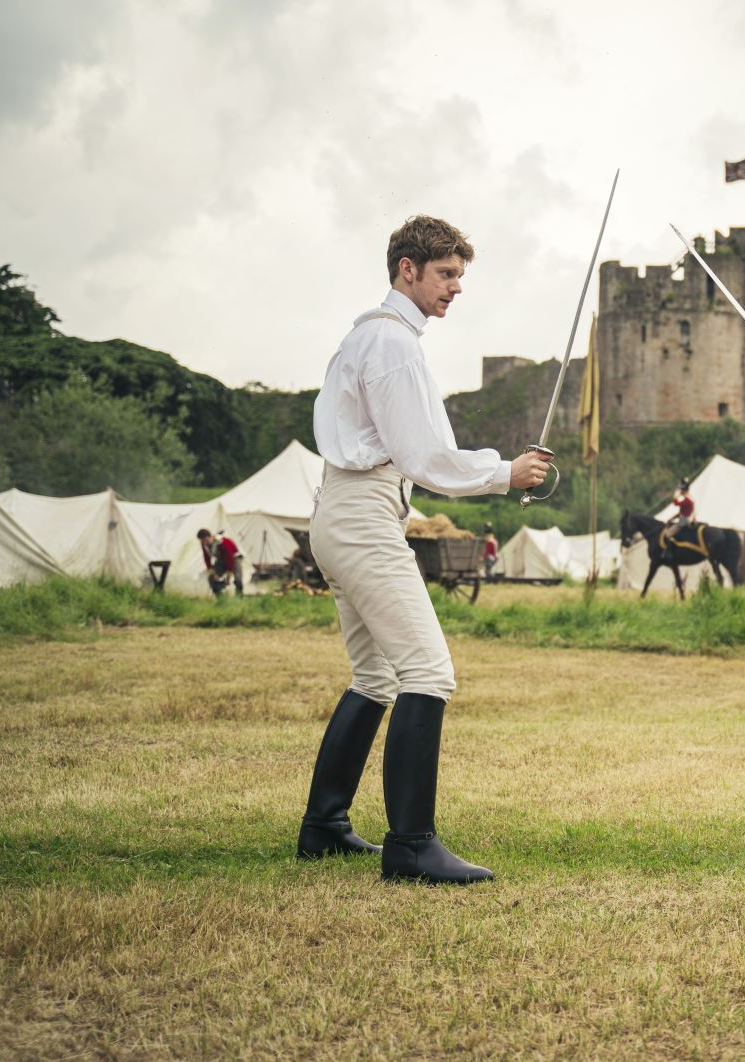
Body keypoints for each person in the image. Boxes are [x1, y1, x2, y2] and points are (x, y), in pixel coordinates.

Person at [298, 215, 549, 885]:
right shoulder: (392, 344)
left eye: (460, 275)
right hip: (361, 516)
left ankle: (323, 829)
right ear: (407, 269)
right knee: (428, 673)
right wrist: (506, 472)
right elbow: (424, 456)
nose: (456, 287)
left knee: (377, 676)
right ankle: (411, 847)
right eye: (445, 273)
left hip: (346, 511)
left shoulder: (376, 337)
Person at [196, 528, 244, 597]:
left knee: (238, 578)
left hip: (234, 558)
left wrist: (228, 575)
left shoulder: (221, 541)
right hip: (221, 560)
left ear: (209, 537)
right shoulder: (204, 544)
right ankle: (220, 597)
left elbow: (229, 557)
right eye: (202, 540)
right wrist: (211, 570)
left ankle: (239, 595)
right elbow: (206, 557)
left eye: (204, 540)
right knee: (212, 577)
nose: (203, 542)